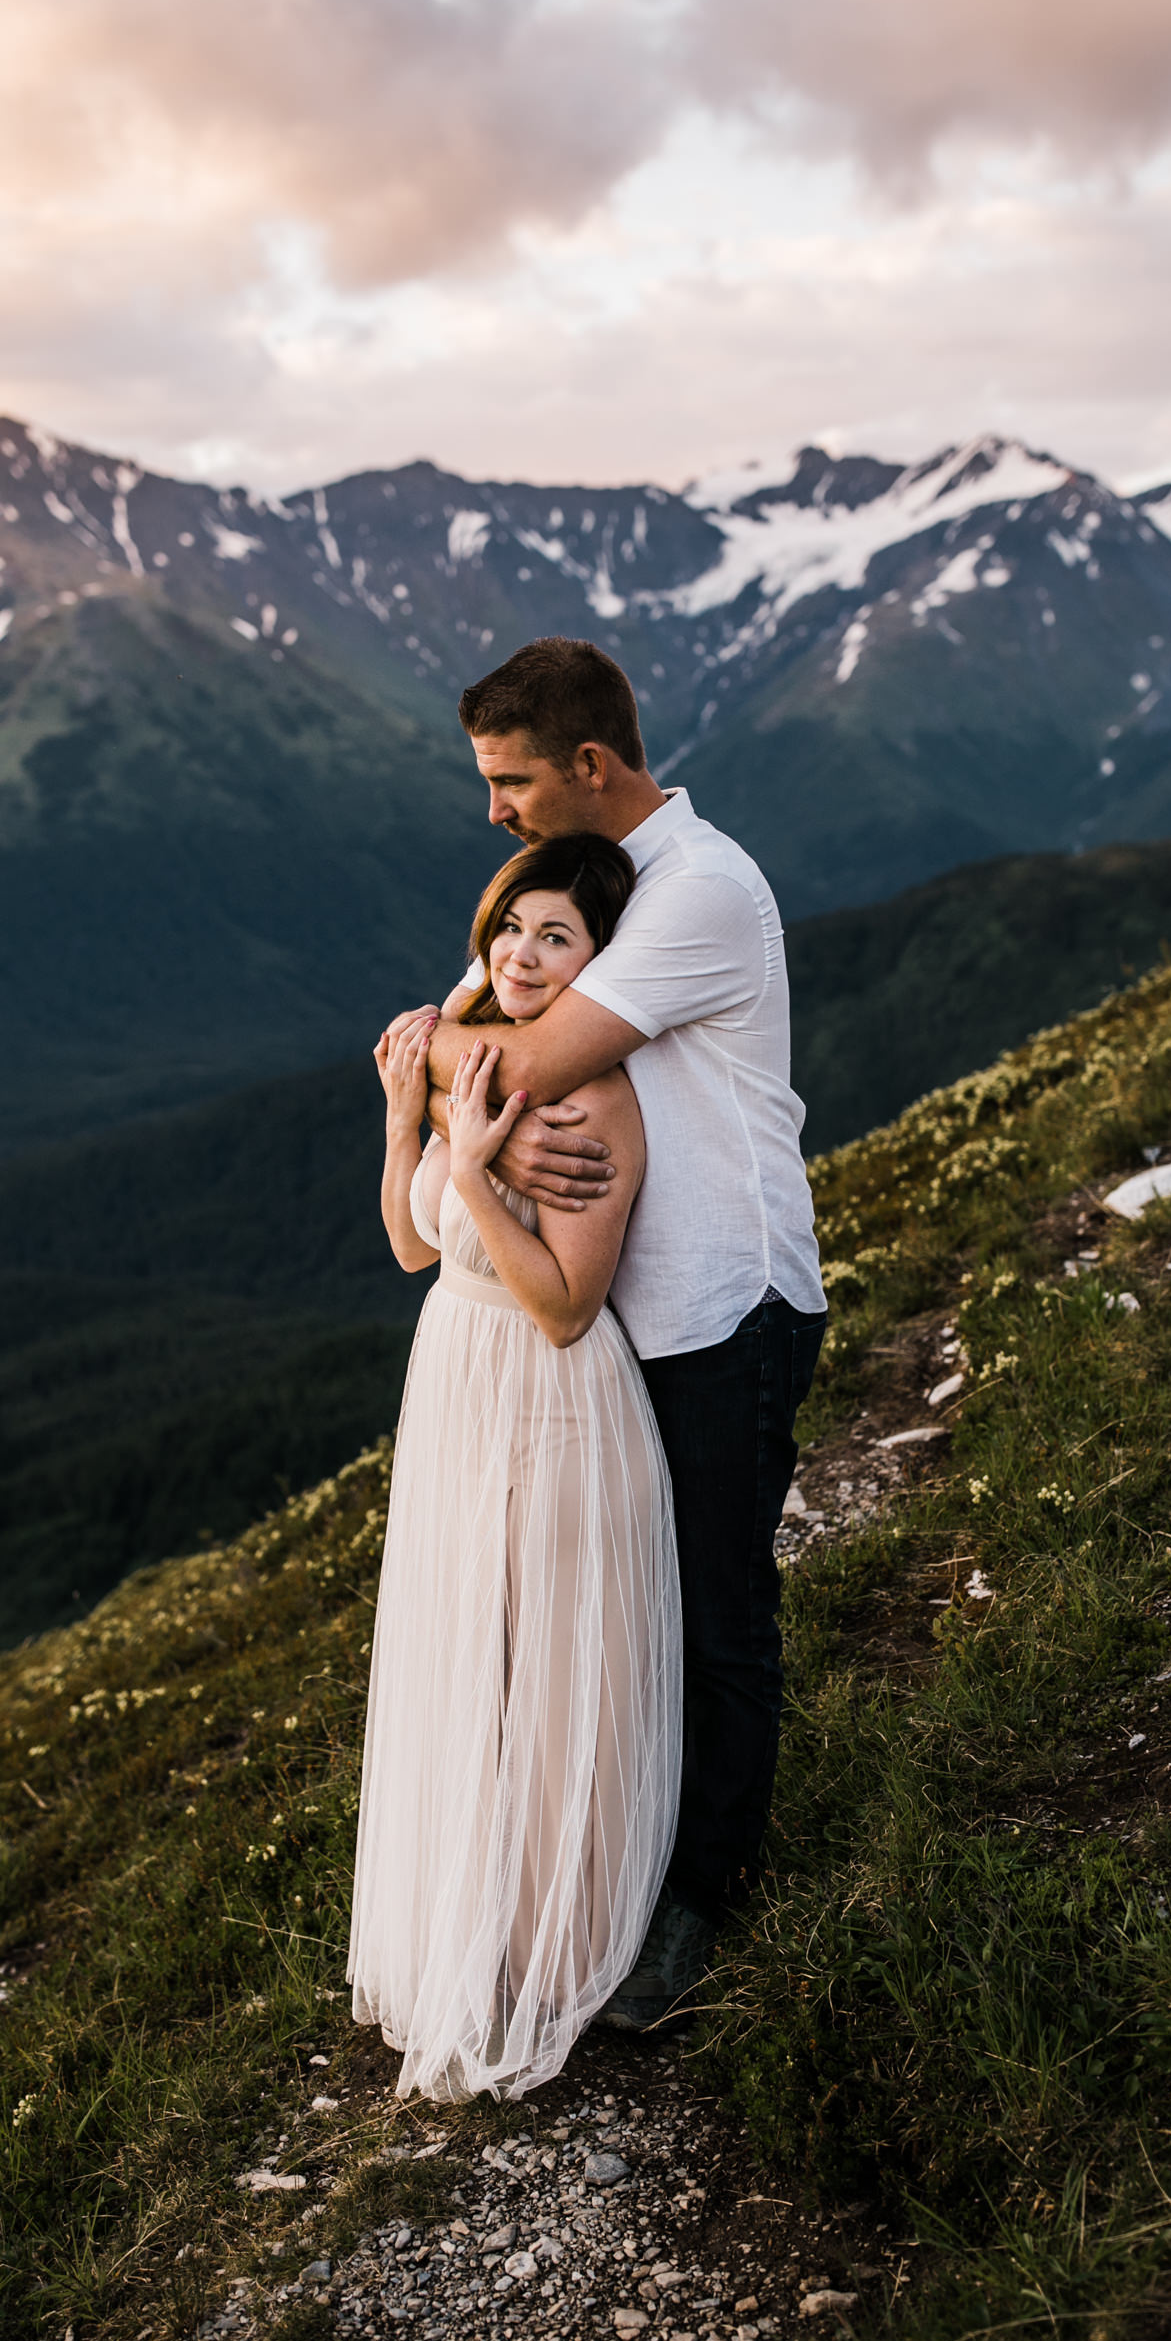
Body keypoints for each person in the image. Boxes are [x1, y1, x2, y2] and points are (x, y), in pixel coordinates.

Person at [388, 635, 826, 2029]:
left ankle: (701, 1899)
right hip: (623, 1308)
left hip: (721, 1300)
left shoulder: (700, 891)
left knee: (714, 1613)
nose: (496, 811)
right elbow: (503, 1021)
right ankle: (616, 1868)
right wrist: (451, 1049)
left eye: (512, 780)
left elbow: (509, 1058)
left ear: (589, 765)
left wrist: (415, 1048)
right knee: (627, 1609)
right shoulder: (617, 894)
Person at [349, 833, 682, 2101]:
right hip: (454, 1391)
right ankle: (483, 1923)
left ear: (600, 964)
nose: (526, 956)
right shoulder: (468, 1069)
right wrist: (410, 1125)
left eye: (560, 938)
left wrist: (480, 1168)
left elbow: (561, 1306)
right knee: (467, 1659)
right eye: (512, 929)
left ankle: (566, 1945)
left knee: (542, 1672)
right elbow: (407, 1247)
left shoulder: (595, 1099)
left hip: (547, 1401)